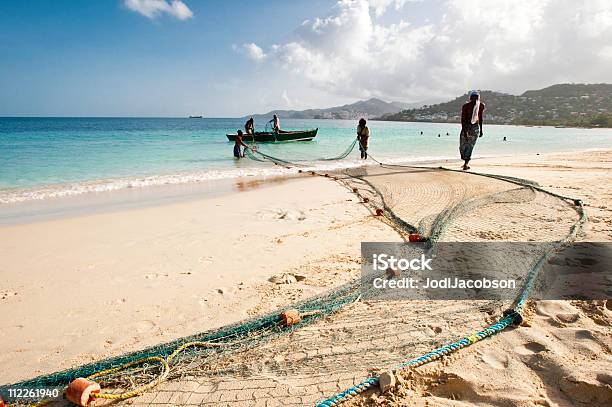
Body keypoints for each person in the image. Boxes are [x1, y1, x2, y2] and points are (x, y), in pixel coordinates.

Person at [459, 90, 485, 170]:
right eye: (473, 97)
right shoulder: (466, 106)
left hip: (475, 128)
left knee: (470, 146)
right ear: (470, 98)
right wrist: (465, 131)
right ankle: (465, 160)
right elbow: (463, 119)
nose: (475, 99)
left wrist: (481, 130)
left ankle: (466, 163)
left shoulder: (481, 106)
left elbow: (480, 118)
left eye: (476, 98)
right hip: (466, 127)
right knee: (462, 146)